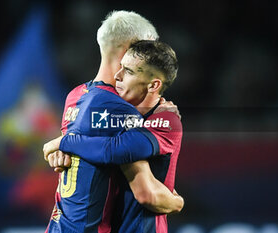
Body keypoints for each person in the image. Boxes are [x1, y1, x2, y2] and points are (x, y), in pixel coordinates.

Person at [43, 11, 183, 233]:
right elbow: (146, 192)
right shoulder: (121, 109)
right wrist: (177, 202)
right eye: (144, 48)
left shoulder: (75, 95)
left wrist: (59, 144)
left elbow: (73, 150)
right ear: (130, 49)